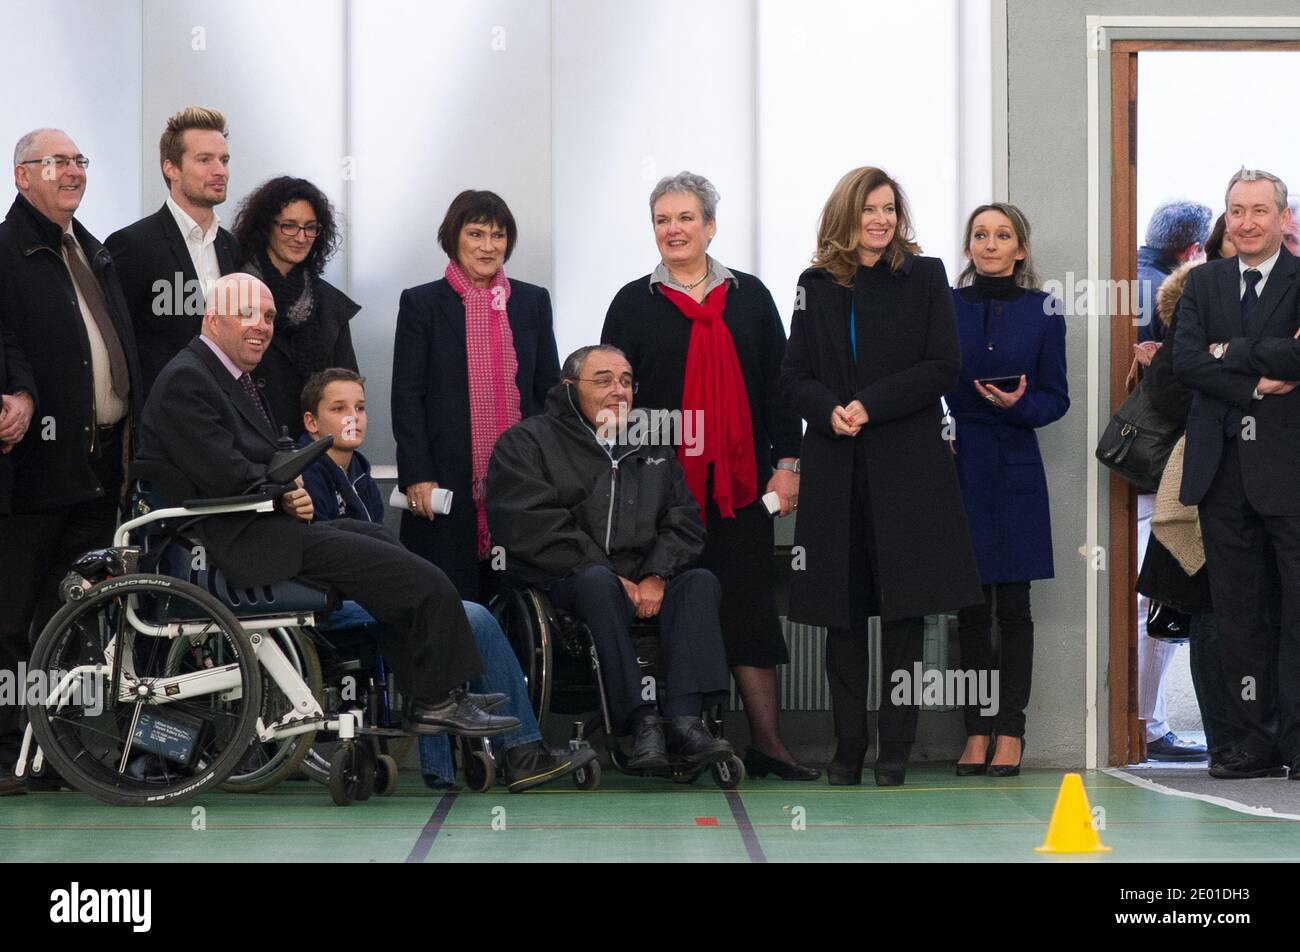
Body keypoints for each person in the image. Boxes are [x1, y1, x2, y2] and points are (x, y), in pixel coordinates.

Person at [134, 273, 519, 740]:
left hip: (252, 529)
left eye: (270, 316)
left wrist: (282, 482)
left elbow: (251, 462)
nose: (262, 326)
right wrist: (282, 490)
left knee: (381, 541)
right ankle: (438, 699)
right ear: (213, 317)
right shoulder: (189, 379)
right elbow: (224, 472)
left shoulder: (227, 378)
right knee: (409, 573)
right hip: (230, 546)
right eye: (248, 314)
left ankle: (435, 697)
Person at [601, 171, 816, 781]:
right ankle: (672, 742)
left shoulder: (749, 296)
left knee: (748, 610)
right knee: (672, 613)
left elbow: (780, 388)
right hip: (659, 498)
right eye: (663, 220)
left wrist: (788, 464)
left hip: (741, 491)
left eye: (685, 218)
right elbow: (612, 401)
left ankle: (769, 745)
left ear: (710, 225)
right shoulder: (630, 303)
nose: (674, 229)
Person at [296, 367, 596, 791]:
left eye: (361, 408)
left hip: (370, 597)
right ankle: (517, 751)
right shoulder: (304, 473)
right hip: (325, 606)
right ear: (312, 422)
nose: (354, 418)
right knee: (466, 616)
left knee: (470, 614)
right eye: (339, 408)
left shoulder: (358, 470)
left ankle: (499, 752)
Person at [780, 167, 983, 787]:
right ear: (846, 215)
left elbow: (943, 365)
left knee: (904, 615)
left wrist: (870, 404)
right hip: (835, 470)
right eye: (869, 209)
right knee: (841, 618)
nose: (881, 220)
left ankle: (894, 749)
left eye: (890, 208)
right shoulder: (814, 283)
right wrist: (828, 409)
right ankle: (847, 750)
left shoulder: (924, 276)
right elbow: (791, 376)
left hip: (907, 469)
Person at [486, 345, 734, 770]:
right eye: (603, 380)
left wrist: (657, 574)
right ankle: (640, 722)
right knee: (597, 582)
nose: (618, 390)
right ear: (568, 389)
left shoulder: (651, 446)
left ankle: (685, 721)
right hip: (562, 580)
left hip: (644, 580)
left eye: (625, 381)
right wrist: (598, 569)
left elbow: (684, 522)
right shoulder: (527, 442)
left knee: (700, 583)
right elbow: (531, 524)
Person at [0, 128, 144, 796]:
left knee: (74, 621)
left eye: (80, 161)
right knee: (13, 615)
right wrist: (21, 391)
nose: (72, 172)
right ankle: (6, 753)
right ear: (22, 175)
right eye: (57, 162)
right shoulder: (6, 250)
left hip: (97, 468)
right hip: (33, 470)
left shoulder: (90, 247)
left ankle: (56, 751)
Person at [1173, 168, 1300, 780]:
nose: (1247, 222)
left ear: (1283, 218)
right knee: (1239, 615)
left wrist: (1233, 350)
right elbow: (1187, 361)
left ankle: (1298, 742)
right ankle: (1255, 741)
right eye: (1236, 210)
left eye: (1260, 210)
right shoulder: (1203, 282)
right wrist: (1257, 381)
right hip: (1221, 472)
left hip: (1290, 471)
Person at [946, 203, 1069, 777]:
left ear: (1021, 249)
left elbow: (1056, 396)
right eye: (980, 235)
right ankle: (975, 730)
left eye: (1003, 235)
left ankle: (1011, 731)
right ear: (969, 246)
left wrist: (1024, 406)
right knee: (970, 606)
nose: (990, 244)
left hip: (1017, 461)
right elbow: (925, 382)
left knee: (1014, 607)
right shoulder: (945, 305)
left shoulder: (1042, 308)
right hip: (961, 459)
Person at [392, 190, 559, 603]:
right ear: (454, 237)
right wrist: (417, 474)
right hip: (445, 478)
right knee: (449, 599)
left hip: (521, 478)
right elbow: (407, 396)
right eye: (476, 233)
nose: (488, 246)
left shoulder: (532, 301)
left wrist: (549, 468)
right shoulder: (422, 303)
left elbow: (548, 389)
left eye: (498, 235)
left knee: (515, 596)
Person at [1135, 261, 1234, 769]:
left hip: (1254, 476)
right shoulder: (1197, 301)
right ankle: (1193, 734)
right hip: (1191, 482)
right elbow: (1170, 391)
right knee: (1189, 607)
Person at [1132, 199, 1212, 762]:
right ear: (1193, 248)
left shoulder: (1131, 278)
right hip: (1166, 466)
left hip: (1139, 465)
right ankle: (1148, 724)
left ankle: (1146, 722)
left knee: (1154, 599)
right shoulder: (1181, 291)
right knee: (1162, 597)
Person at [106, 106, 240, 396]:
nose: (220, 171)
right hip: (162, 418)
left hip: (225, 415)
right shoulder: (133, 245)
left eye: (224, 160)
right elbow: (115, 343)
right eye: (205, 160)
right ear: (171, 168)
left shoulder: (231, 246)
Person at [233, 177, 359, 437]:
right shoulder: (233, 293)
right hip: (247, 452)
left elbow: (348, 392)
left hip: (314, 456)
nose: (301, 237)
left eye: (310, 227)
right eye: (289, 226)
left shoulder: (330, 305)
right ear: (265, 227)